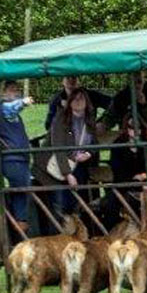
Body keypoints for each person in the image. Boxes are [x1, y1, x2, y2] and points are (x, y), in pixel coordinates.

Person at [45, 87, 100, 216]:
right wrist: (68, 174)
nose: (78, 101)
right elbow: (58, 147)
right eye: (75, 99)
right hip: (63, 166)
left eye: (81, 98)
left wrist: (88, 154)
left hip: (81, 166)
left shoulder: (89, 119)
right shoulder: (61, 119)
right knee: (64, 204)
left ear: (87, 101)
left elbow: (94, 143)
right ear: (69, 102)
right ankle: (63, 232)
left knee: (80, 203)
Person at [0, 81, 34, 228]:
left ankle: (17, 226)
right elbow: (12, 108)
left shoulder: (8, 112)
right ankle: (20, 228)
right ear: (3, 93)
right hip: (13, 159)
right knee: (21, 192)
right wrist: (23, 102)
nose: (16, 92)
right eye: (12, 90)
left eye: (17, 90)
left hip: (19, 159)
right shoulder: (4, 109)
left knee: (20, 193)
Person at [100, 115, 147, 228]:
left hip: (144, 185)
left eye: (138, 127)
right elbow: (117, 170)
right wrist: (134, 177)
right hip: (122, 184)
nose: (135, 131)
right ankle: (111, 235)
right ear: (126, 128)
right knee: (109, 204)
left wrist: (145, 175)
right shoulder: (118, 145)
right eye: (131, 127)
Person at [44, 76, 111, 131]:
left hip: (88, 134)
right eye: (67, 77)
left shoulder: (91, 95)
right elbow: (49, 124)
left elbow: (113, 105)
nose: (71, 80)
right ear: (63, 81)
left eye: (73, 77)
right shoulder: (56, 100)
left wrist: (102, 122)